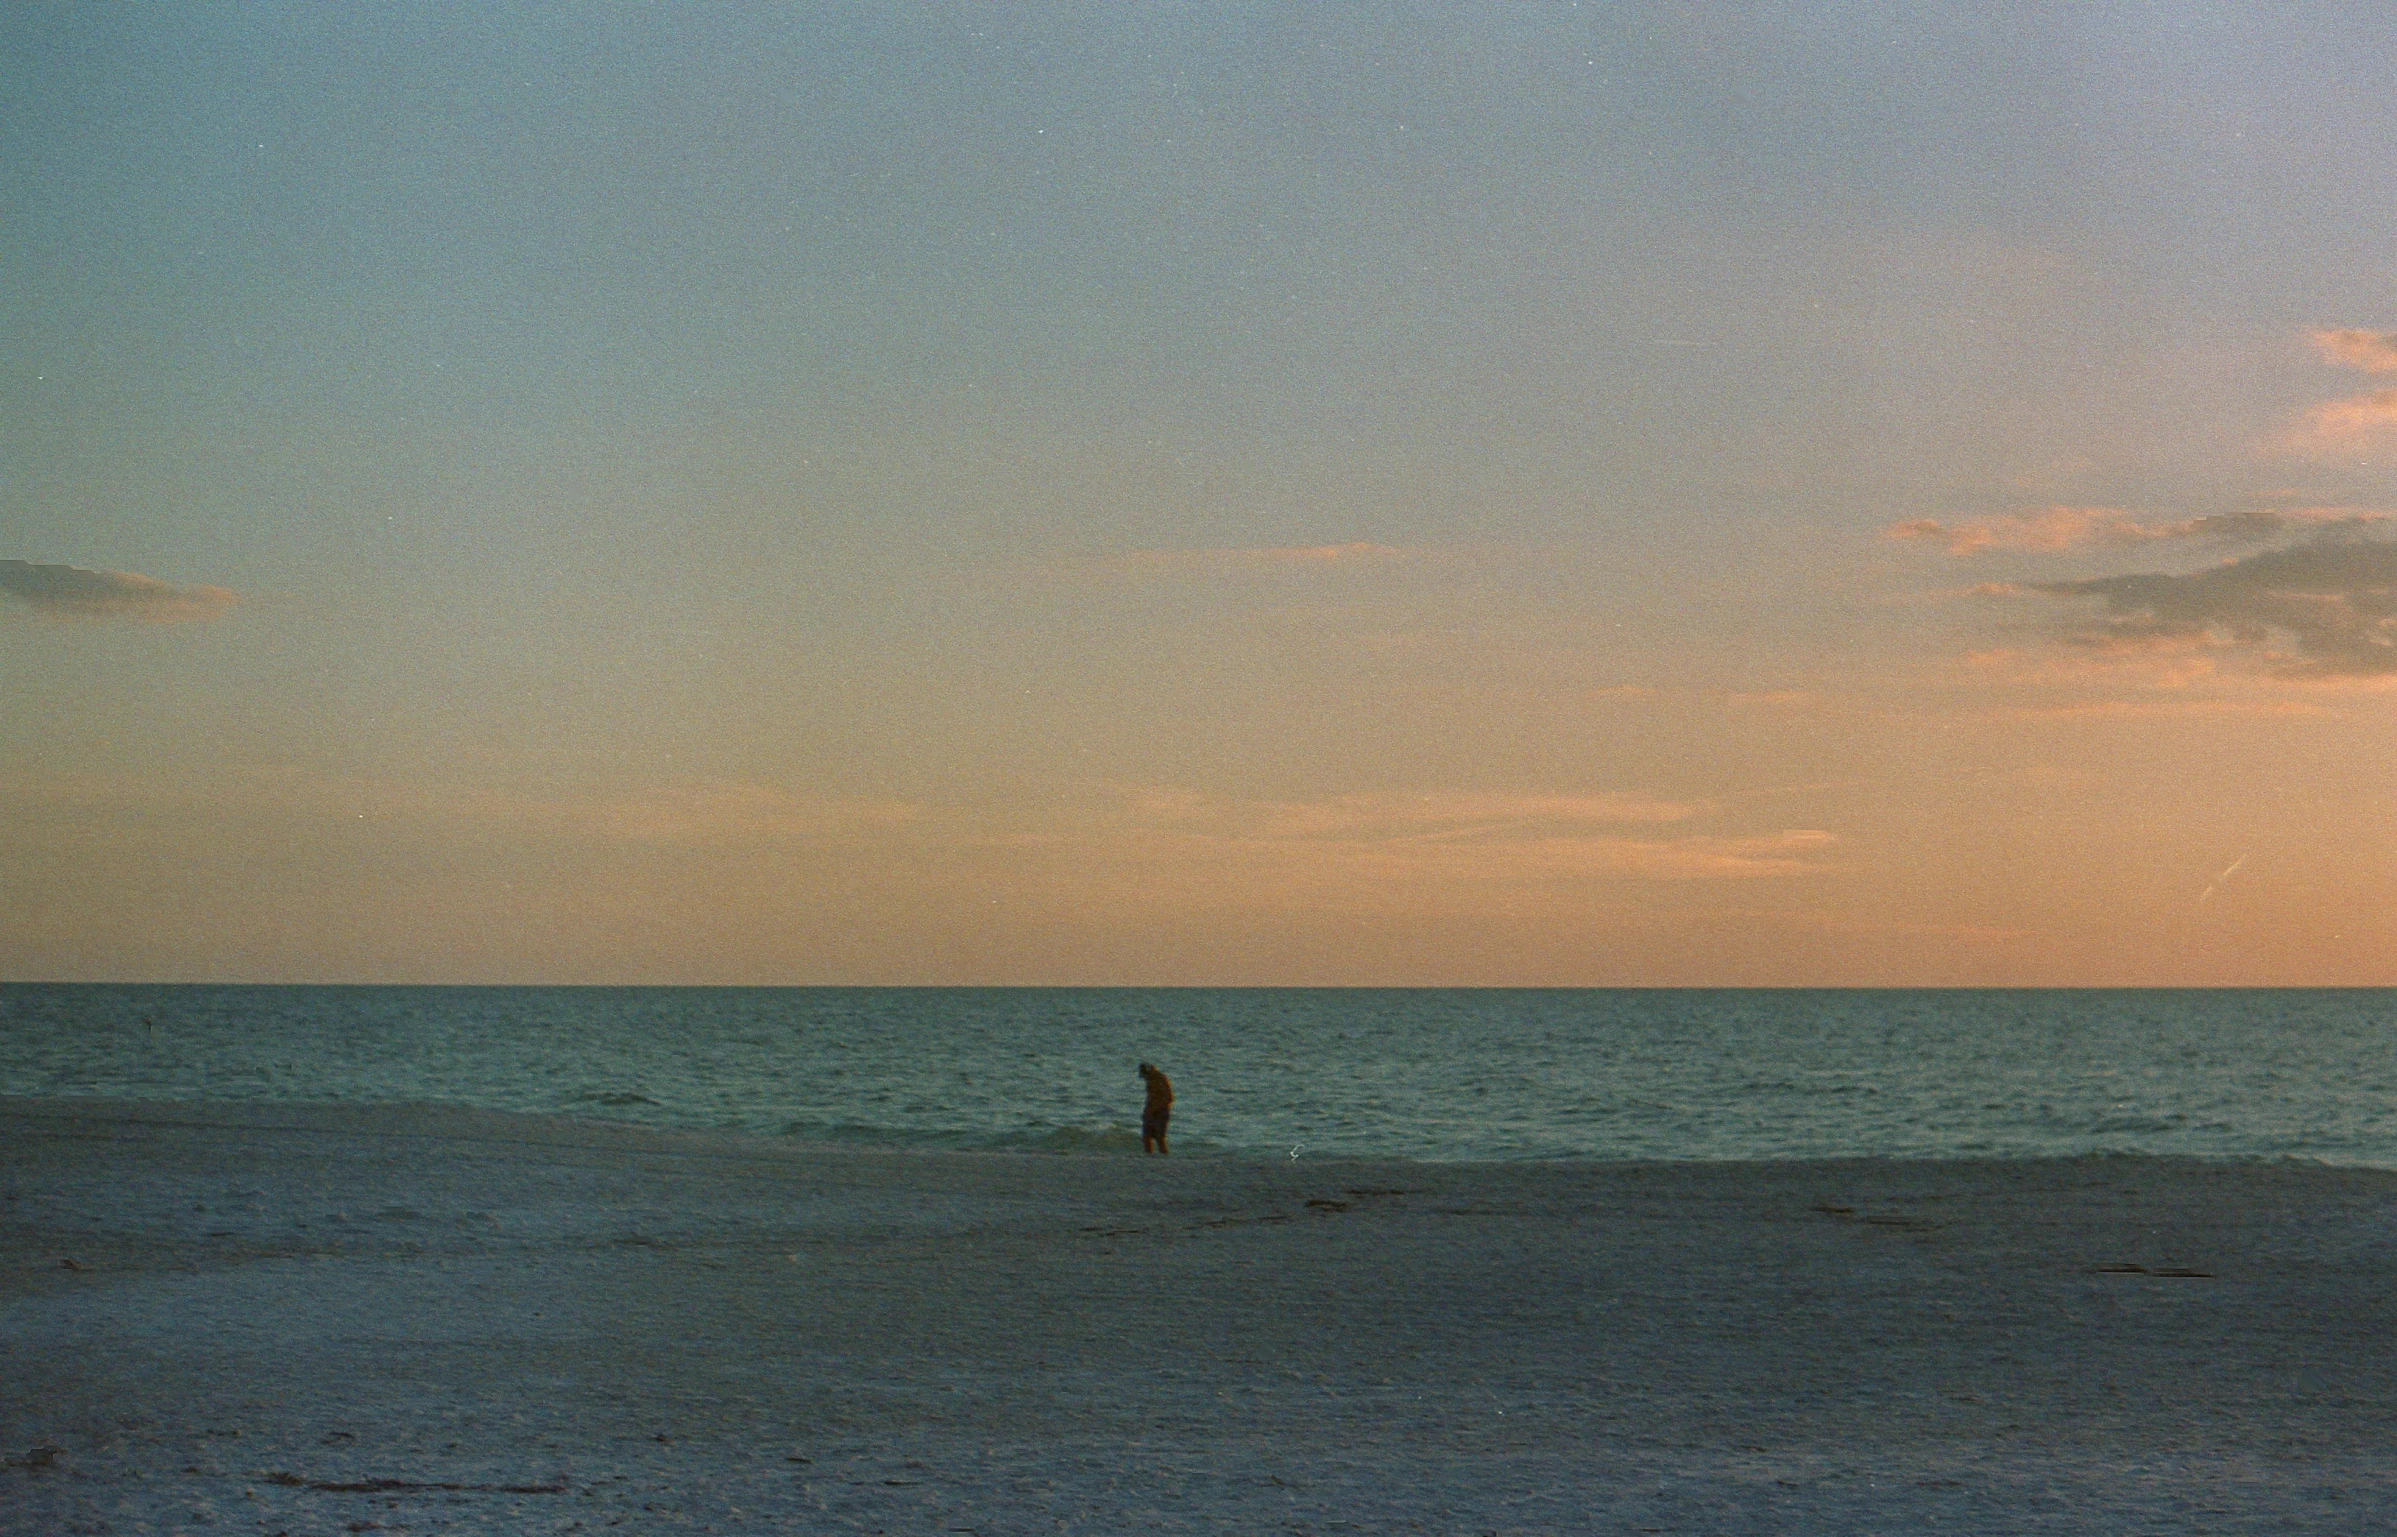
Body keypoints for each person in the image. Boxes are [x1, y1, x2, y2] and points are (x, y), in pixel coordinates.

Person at [1137, 1062, 1173, 1156]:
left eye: (1145, 1075)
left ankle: (1164, 1156)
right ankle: (1149, 1156)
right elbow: (1150, 1097)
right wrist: (1146, 1111)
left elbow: (1168, 1098)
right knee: (1146, 1136)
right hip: (1150, 1111)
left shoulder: (1160, 1079)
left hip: (1161, 1112)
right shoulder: (1150, 1080)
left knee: (1160, 1137)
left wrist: (1154, 1109)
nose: (1145, 1079)